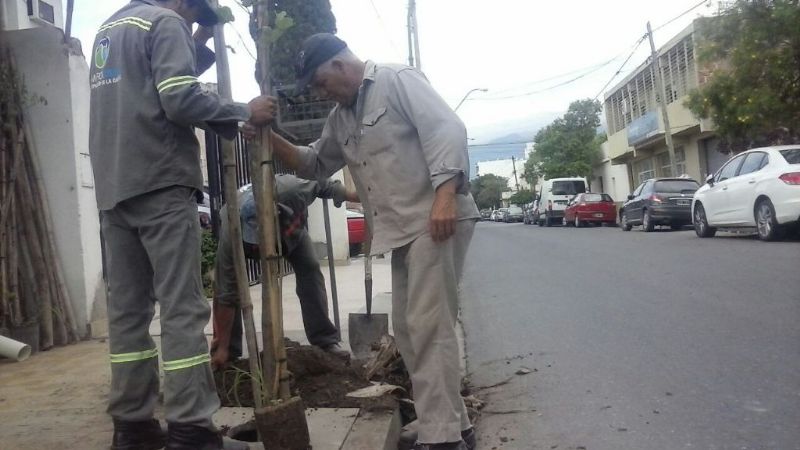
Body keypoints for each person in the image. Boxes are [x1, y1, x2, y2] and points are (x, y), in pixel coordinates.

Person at [249, 33, 480, 450]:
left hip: (436, 218)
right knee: (410, 331)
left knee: (429, 327)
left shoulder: (396, 80)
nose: (321, 93)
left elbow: (447, 129)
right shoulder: (341, 116)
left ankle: (442, 439)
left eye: (321, 82)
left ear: (340, 66)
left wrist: (445, 196)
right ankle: (452, 424)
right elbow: (315, 163)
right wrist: (268, 137)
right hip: (403, 231)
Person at [88, 0, 276, 449]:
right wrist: (241, 110)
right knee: (181, 308)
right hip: (161, 181)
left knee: (128, 315)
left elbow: (145, 91)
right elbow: (177, 98)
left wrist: (198, 46)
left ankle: (133, 428)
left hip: (115, 188)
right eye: (195, 14)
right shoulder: (166, 21)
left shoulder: (110, 29)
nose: (193, 22)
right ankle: (191, 429)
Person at [210, 175, 359, 367]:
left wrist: (353, 195)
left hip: (291, 233)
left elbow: (322, 183)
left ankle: (325, 341)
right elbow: (226, 294)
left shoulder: (293, 190)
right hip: (242, 241)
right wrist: (221, 347)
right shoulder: (232, 230)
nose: (261, 245)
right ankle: (227, 351)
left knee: (311, 271)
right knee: (227, 286)